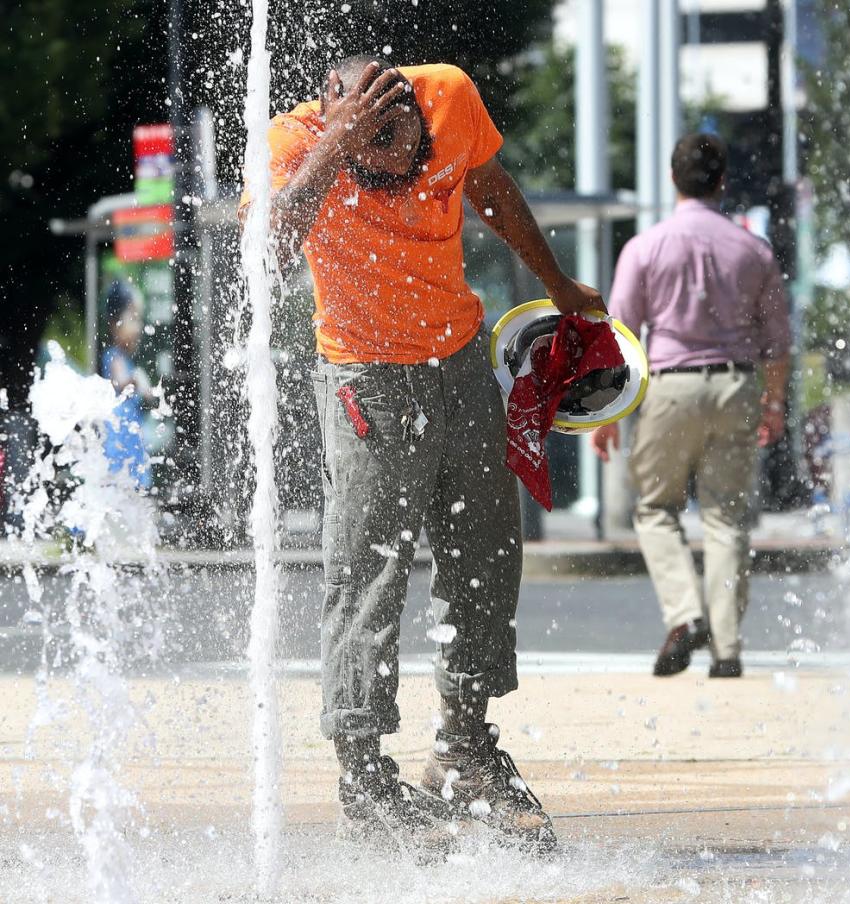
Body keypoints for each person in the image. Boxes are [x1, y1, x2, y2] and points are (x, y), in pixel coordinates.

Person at [244, 55, 602, 852]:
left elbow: (491, 187)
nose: (399, 169)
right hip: (365, 381)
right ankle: (365, 780)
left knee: (486, 554)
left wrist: (559, 283)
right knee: (367, 572)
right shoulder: (291, 143)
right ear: (336, 126)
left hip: (460, 362)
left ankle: (466, 750)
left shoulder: (448, 97)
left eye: (407, 147)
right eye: (371, 151)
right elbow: (264, 258)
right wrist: (333, 148)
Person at [591, 133, 792, 680]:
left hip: (670, 387)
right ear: (723, 181)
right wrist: (773, 403)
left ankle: (685, 615)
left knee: (656, 509)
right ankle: (726, 650)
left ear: (673, 180)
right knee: (727, 517)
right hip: (736, 385)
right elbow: (777, 339)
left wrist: (608, 415)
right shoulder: (753, 250)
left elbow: (623, 336)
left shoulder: (646, 247)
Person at [100, 280, 155, 490]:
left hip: (130, 440)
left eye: (139, 319)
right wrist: (136, 379)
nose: (139, 327)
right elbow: (120, 382)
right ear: (114, 323)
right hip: (119, 442)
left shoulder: (126, 361)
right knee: (122, 489)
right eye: (133, 318)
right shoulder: (115, 358)